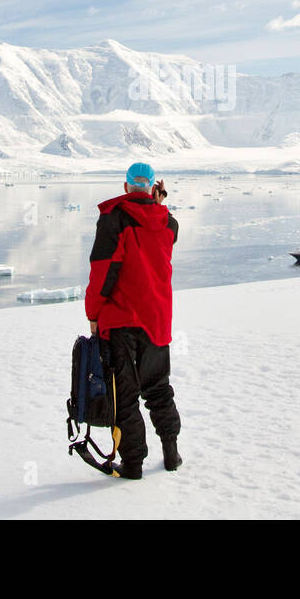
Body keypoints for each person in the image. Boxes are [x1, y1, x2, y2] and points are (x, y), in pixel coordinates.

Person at [85, 162, 182, 479]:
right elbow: (160, 228)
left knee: (124, 396)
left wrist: (93, 313)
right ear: (153, 188)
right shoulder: (167, 222)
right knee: (158, 388)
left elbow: (103, 270)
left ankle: (133, 464)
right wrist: (158, 202)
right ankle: (171, 453)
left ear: (126, 186)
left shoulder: (115, 218)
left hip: (123, 319)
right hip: (157, 319)